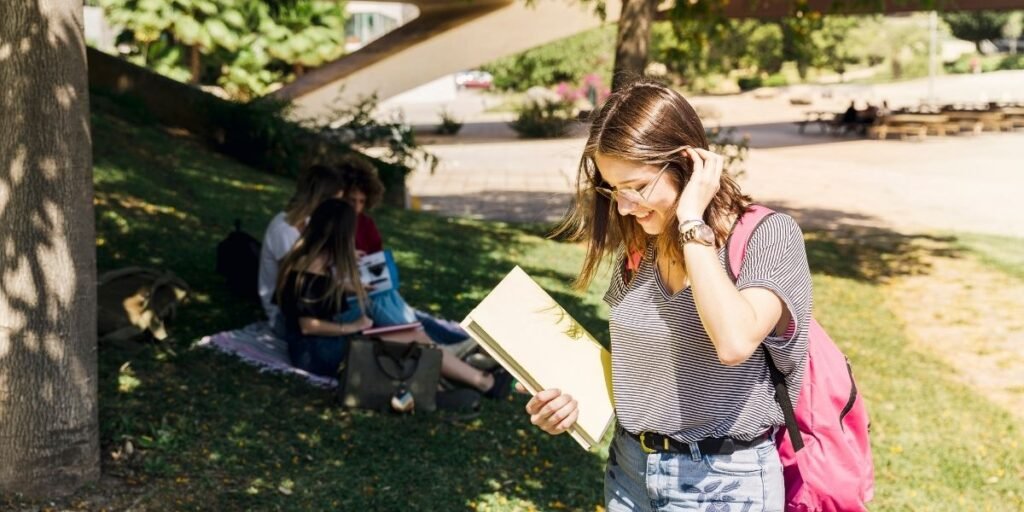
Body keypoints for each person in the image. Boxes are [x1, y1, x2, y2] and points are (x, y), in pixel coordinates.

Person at [522, 80, 812, 510]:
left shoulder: (769, 237)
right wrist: (572, 403)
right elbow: (641, 366)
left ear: (688, 165)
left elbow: (734, 342)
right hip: (630, 472)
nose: (624, 206)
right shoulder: (643, 245)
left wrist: (692, 219)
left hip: (725, 484)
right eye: (613, 189)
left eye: (636, 186)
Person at [275, 198, 513, 399]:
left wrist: (347, 287)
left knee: (414, 335)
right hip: (315, 352)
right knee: (412, 339)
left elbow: (318, 294)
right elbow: (308, 326)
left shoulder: (312, 257)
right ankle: (481, 381)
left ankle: (471, 376)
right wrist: (353, 326)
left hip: (322, 343)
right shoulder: (310, 266)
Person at [338, 157, 477, 348]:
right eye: (351, 200)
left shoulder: (366, 225)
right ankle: (447, 349)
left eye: (361, 201)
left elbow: (376, 260)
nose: (356, 207)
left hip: (371, 287)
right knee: (406, 316)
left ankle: (463, 345)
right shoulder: (332, 225)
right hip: (349, 294)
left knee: (410, 313)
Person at [258, 164, 348, 337]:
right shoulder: (284, 230)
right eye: (335, 202)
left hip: (311, 305)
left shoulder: (309, 223)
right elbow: (294, 290)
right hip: (286, 317)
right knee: (364, 315)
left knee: (369, 307)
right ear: (321, 200)